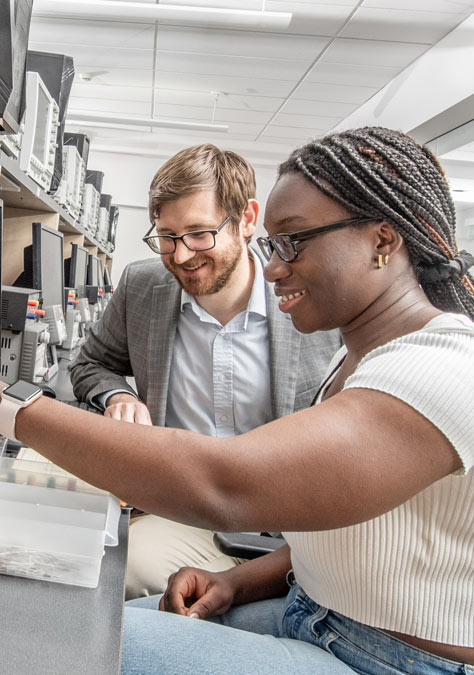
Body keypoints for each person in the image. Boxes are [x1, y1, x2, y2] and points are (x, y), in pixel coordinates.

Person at [0, 126, 474, 674]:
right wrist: (234, 582)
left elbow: (226, 482)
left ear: (382, 241)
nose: (273, 267)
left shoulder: (444, 371)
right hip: (316, 614)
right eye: (275, 245)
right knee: (102, 610)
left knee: (59, 637)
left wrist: (3, 404)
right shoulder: (371, 357)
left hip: (380, 659)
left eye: (294, 241)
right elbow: (348, 530)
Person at [69, 143, 340, 599]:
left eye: (198, 233)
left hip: (290, 528)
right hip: (183, 514)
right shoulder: (143, 287)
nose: (180, 255)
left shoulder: (310, 302)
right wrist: (118, 396)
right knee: (118, 572)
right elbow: (90, 363)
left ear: (248, 220)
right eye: (167, 236)